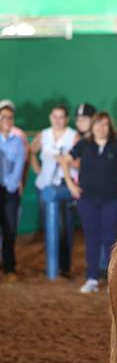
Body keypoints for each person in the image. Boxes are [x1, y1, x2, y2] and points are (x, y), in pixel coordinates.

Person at [61, 112, 117, 293]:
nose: (101, 128)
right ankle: (91, 278)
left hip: (112, 200)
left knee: (109, 239)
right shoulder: (84, 144)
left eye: (105, 125)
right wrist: (71, 185)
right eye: (98, 124)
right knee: (91, 239)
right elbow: (65, 161)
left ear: (110, 128)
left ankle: (111, 280)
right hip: (87, 200)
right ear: (92, 127)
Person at [30, 105, 78, 279]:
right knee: (48, 226)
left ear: (66, 119)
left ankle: (64, 268)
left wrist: (65, 161)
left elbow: (79, 162)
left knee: (65, 228)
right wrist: (37, 170)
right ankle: (51, 266)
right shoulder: (44, 135)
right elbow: (31, 151)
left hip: (65, 186)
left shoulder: (73, 136)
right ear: (50, 117)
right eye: (54, 116)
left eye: (61, 117)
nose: (58, 120)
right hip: (45, 186)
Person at [0, 105, 26, 283]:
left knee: (10, 230)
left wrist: (9, 187)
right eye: (4, 117)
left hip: (10, 193)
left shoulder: (18, 142)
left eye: (10, 117)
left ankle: (9, 267)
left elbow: (19, 167)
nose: (7, 121)